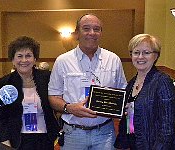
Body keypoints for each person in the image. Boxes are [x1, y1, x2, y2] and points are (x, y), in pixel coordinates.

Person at [48, 14, 127, 150]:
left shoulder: (113, 60)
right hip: (73, 133)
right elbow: (53, 97)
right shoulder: (62, 61)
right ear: (77, 33)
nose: (92, 33)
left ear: (101, 33)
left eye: (96, 29)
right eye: (86, 28)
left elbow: (123, 92)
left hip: (105, 134)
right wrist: (69, 108)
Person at [114, 34, 175, 150]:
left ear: (155, 56)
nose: (140, 57)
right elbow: (130, 120)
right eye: (136, 52)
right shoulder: (132, 83)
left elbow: (167, 129)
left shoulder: (162, 82)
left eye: (146, 52)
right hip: (135, 144)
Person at [0, 36, 59, 150]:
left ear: (34, 59)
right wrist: (5, 142)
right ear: (12, 60)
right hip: (17, 141)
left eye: (28, 56)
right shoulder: (2, 84)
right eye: (19, 56)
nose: (24, 60)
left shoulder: (48, 78)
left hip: (46, 139)